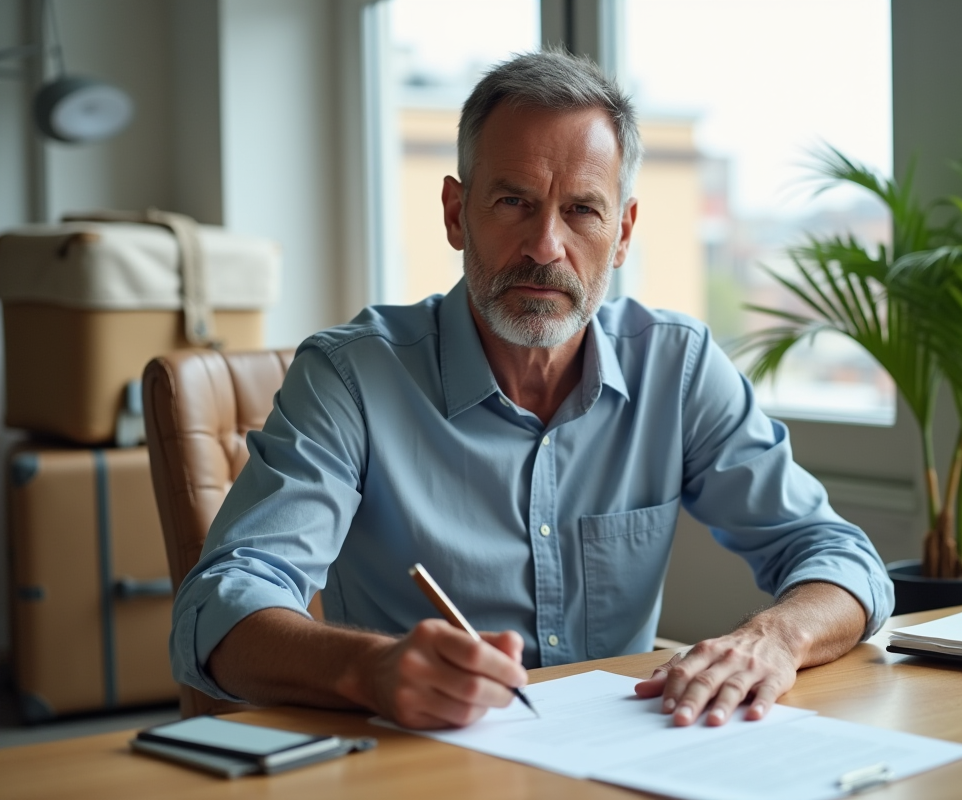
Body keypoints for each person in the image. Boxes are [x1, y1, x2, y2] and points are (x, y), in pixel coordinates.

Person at [170, 50, 893, 731]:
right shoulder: (351, 377)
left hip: (624, 755)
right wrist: (374, 669)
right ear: (456, 214)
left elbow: (840, 558)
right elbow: (217, 609)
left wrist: (773, 638)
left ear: (624, 230)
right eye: (514, 202)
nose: (547, 246)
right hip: (416, 760)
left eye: (582, 209)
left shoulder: (677, 366)